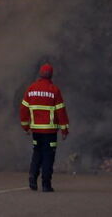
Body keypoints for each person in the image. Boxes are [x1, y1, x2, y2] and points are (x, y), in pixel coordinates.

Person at [20, 63, 69, 192]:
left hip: (36, 130)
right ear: (51, 75)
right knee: (48, 155)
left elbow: (23, 109)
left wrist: (26, 127)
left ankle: (32, 177)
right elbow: (61, 111)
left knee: (37, 152)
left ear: (40, 74)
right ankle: (46, 184)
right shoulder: (54, 90)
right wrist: (64, 130)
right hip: (50, 131)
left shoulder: (31, 89)